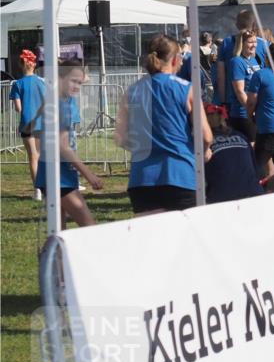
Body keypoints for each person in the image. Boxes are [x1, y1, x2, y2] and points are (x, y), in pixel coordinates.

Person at [115, 34, 213, 215]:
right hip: (180, 174)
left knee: (152, 233)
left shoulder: (132, 91)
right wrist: (204, 151)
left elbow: (120, 138)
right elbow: (206, 136)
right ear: (175, 59)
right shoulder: (186, 88)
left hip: (142, 178)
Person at [34, 60, 103, 226]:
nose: (77, 86)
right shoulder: (59, 104)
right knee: (89, 227)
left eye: (80, 83)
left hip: (57, 174)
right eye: (73, 81)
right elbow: (63, 146)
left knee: (58, 232)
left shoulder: (58, 101)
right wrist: (89, 175)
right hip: (58, 176)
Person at [204, 104, 264, 205]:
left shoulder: (202, 143)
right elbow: (255, 169)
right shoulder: (241, 135)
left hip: (222, 198)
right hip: (254, 193)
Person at [9, 49, 45, 197]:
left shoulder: (17, 84)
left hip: (27, 123)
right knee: (41, 156)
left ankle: (37, 190)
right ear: (33, 65)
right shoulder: (42, 82)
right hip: (42, 123)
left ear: (21, 65)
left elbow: (18, 108)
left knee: (33, 157)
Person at [247, 40, 274, 178]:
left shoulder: (260, 75)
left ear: (268, 57)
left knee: (257, 167)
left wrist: (249, 115)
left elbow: (251, 102)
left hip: (267, 127)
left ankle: (259, 189)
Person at [226, 29, 263, 142]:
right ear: (242, 44)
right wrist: (250, 111)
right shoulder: (237, 62)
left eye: (255, 42)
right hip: (243, 114)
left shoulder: (254, 60)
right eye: (250, 42)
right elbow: (239, 91)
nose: (254, 45)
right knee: (252, 146)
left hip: (255, 112)